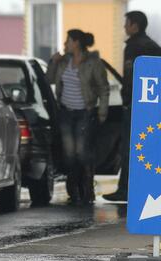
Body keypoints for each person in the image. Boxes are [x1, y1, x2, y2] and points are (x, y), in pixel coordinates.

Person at [103, 11, 161, 201]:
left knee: (129, 148)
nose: (124, 27)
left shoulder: (134, 47)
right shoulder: (155, 47)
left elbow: (130, 79)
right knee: (146, 148)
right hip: (151, 106)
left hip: (134, 106)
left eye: (126, 23)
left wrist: (127, 101)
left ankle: (125, 190)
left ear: (134, 25)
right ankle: (146, 189)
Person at [46, 29, 109, 205]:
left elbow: (103, 88)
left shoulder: (93, 63)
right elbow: (48, 79)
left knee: (82, 152)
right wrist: (53, 61)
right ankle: (73, 190)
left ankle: (87, 188)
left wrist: (102, 112)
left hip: (85, 113)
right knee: (69, 154)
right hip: (65, 113)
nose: (65, 44)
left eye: (68, 41)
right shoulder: (63, 62)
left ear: (76, 43)